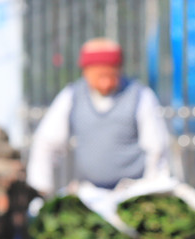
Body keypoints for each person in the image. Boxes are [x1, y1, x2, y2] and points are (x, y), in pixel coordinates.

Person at [26, 38, 174, 196]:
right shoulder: (72, 96)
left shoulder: (140, 96)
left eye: (111, 75)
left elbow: (157, 147)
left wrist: (153, 190)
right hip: (90, 193)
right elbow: (46, 143)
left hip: (133, 193)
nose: (106, 83)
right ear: (86, 72)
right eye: (99, 76)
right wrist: (41, 190)